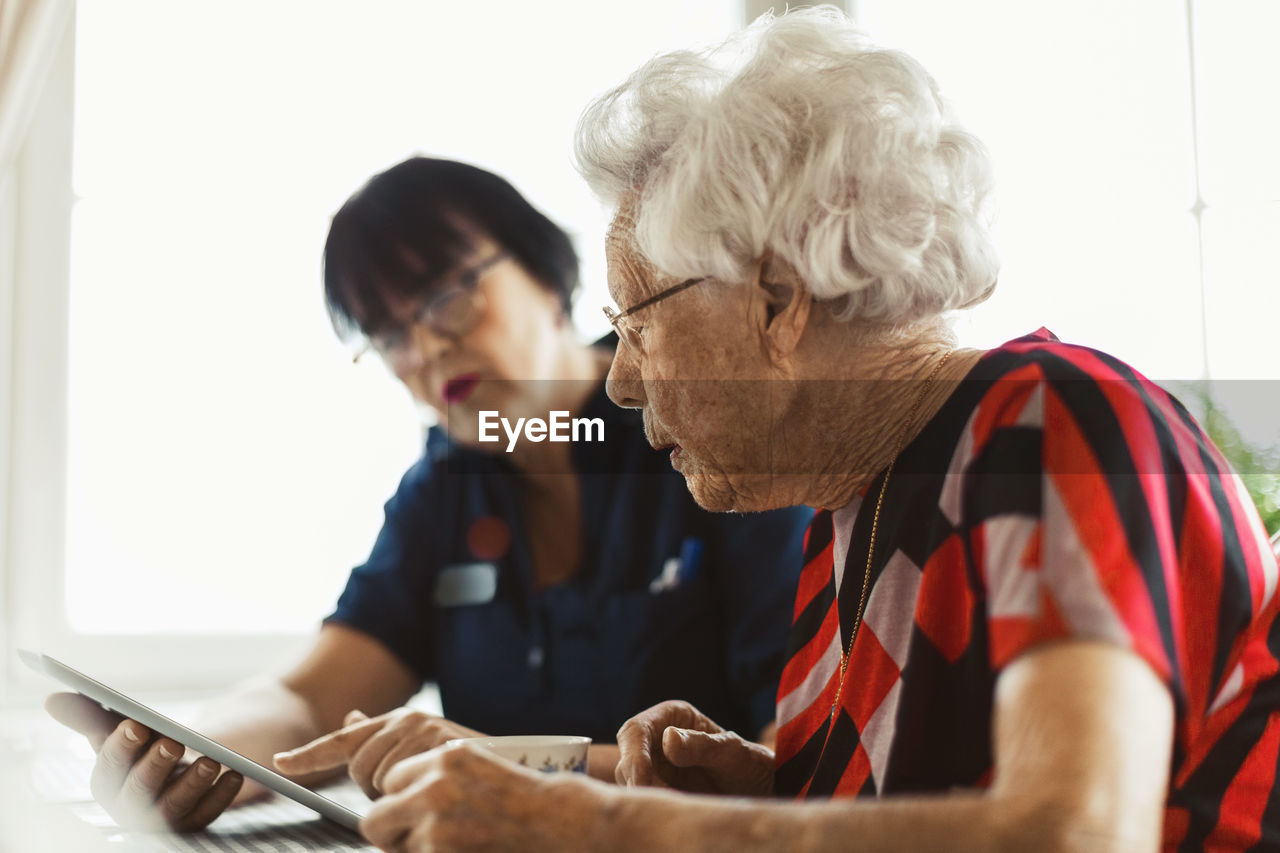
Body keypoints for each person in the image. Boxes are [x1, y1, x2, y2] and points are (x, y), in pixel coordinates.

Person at [348, 8, 1280, 852]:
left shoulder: (1050, 420)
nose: (622, 381)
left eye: (639, 323)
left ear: (780, 301)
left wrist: (616, 823)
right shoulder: (855, 509)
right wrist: (761, 786)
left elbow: (1074, 829)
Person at [45, 156, 811, 832]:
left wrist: (521, 764)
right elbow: (307, 701)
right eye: (388, 332)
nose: (425, 347)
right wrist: (196, 751)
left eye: (447, 296)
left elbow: (794, 762)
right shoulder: (445, 486)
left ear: (548, 275)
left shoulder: (705, 436)